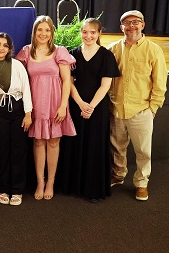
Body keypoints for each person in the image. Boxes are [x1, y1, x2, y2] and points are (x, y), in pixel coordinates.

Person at [108, 10, 167, 201]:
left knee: (143, 150)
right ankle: (118, 175)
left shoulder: (153, 49)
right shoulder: (113, 49)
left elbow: (159, 82)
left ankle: (141, 183)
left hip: (141, 110)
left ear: (142, 25)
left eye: (135, 22)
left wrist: (153, 108)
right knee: (117, 147)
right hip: (116, 108)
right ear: (121, 27)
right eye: (127, 23)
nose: (131, 26)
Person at [59, 18, 120, 203]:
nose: (88, 36)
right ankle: (73, 185)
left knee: (94, 146)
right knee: (75, 144)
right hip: (77, 106)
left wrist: (91, 106)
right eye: (85, 32)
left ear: (99, 33)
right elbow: (68, 82)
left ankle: (92, 189)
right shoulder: (72, 55)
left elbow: (105, 86)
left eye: (93, 32)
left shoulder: (106, 56)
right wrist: (80, 103)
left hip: (97, 108)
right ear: (81, 33)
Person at [15, 15, 76, 200]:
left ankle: (51, 182)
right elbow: (18, 77)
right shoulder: (26, 52)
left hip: (55, 103)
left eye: (47, 30)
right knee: (38, 142)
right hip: (34, 105)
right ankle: (40, 182)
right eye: (39, 30)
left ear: (52, 32)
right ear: (34, 32)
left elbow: (67, 81)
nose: (43, 33)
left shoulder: (60, 51)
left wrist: (63, 106)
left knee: (54, 142)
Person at [0, 33, 32, 206]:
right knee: (1, 150)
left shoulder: (17, 65)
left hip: (17, 110)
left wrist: (28, 114)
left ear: (9, 49)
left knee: (18, 150)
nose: (1, 48)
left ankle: (17, 190)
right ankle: (3, 188)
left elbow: (26, 89)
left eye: (5, 45)